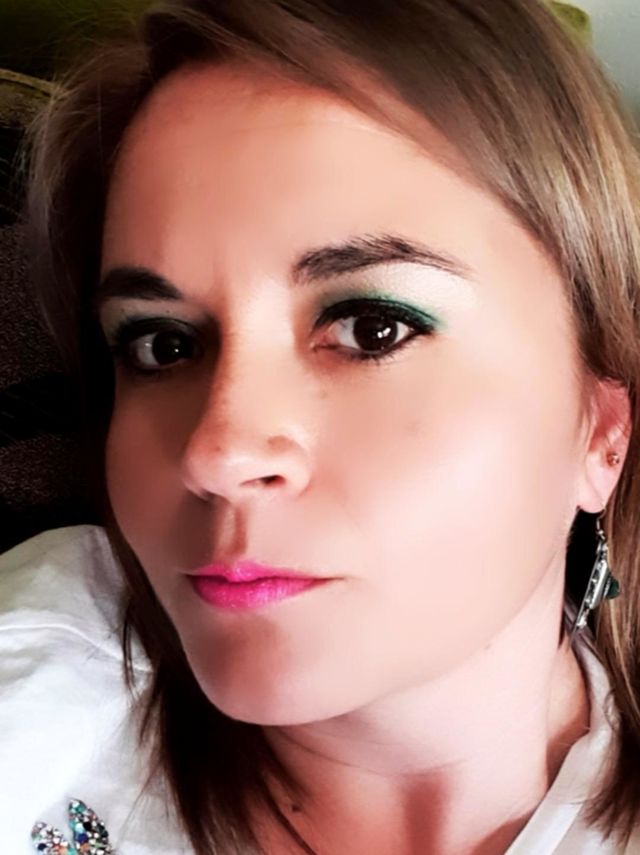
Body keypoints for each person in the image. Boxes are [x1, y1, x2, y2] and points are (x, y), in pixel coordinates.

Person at [1, 0, 639, 853]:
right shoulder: (48, 665)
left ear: (601, 431)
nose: (215, 451)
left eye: (372, 328)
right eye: (162, 345)